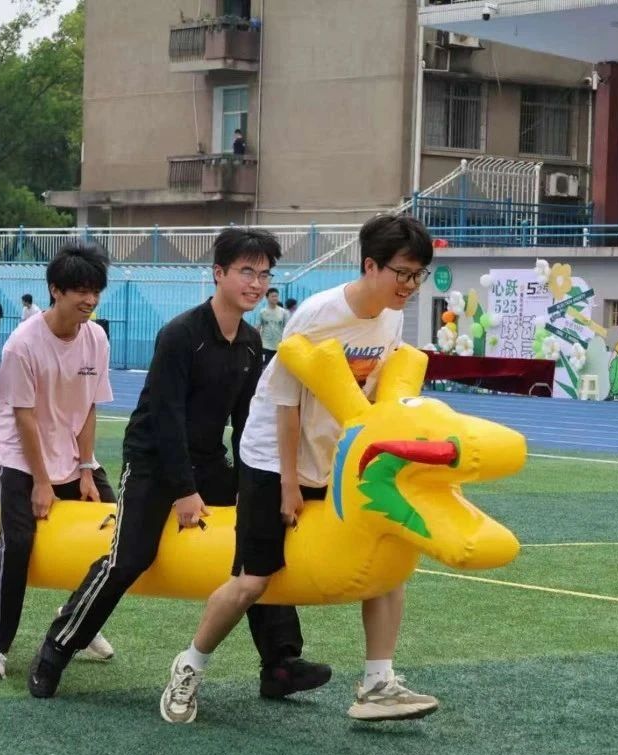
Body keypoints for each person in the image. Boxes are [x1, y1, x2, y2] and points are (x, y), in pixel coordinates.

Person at [27, 228, 330, 702]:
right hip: (153, 459)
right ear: (218, 273)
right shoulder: (181, 335)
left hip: (208, 460)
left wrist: (256, 484)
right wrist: (185, 491)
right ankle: (56, 650)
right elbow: (165, 420)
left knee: (259, 541)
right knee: (129, 559)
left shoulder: (251, 343)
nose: (256, 283)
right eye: (246, 271)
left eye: (264, 274)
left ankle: (280, 664)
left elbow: (247, 423)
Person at [159, 213, 439, 724]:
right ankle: (189, 666)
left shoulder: (391, 319)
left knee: (386, 559)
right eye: (402, 273)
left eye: (418, 275)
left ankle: (378, 683)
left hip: (333, 459)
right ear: (370, 266)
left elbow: (370, 394)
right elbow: (286, 404)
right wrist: (290, 484)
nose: (410, 286)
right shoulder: (317, 315)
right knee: (253, 581)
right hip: (272, 458)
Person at [0, 244, 117, 680]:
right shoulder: (22, 344)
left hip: (73, 455)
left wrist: (87, 468)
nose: (90, 300)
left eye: (96, 291)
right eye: (81, 291)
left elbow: (90, 407)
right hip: (22, 456)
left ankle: (77, 618)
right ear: (56, 290)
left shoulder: (96, 338)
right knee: (16, 544)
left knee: (117, 537)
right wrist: (41, 481)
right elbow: (23, 416)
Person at [254, 287, 289, 365]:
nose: (275, 298)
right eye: (273, 296)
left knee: (277, 367)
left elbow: (287, 328)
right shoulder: (262, 312)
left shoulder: (283, 312)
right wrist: (256, 342)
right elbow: (257, 328)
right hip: (266, 345)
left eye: (276, 296)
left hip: (279, 345)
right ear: (267, 297)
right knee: (266, 366)